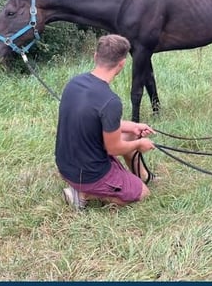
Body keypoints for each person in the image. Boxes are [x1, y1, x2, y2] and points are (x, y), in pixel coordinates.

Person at [55, 34, 156, 210]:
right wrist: (140, 144)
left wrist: (132, 126)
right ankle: (82, 194)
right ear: (122, 64)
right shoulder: (111, 101)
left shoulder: (74, 83)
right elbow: (113, 148)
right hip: (89, 174)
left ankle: (143, 175)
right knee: (143, 194)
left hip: (65, 164)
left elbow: (92, 119)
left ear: (95, 56)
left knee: (130, 133)